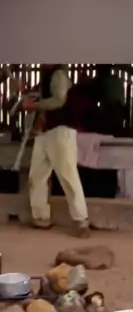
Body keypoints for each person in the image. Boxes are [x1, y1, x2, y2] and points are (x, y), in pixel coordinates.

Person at [23, 64, 90, 237]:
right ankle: (41, 217)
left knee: (68, 176)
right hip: (45, 133)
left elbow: (59, 100)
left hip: (61, 131)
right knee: (37, 176)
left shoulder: (59, 75)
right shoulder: (47, 77)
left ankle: (82, 221)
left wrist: (34, 106)